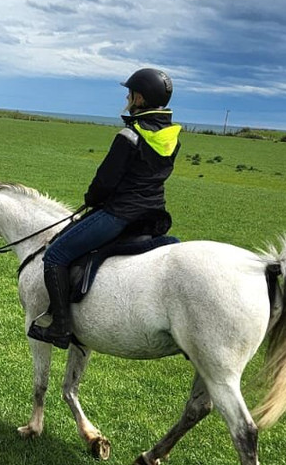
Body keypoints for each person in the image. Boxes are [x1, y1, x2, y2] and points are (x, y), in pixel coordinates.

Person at [28, 67, 181, 349]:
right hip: (153, 217)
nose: (126, 97)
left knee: (56, 255)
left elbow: (106, 181)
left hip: (120, 214)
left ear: (140, 99)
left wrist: (92, 198)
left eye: (130, 93)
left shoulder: (129, 136)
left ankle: (60, 327)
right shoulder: (172, 138)